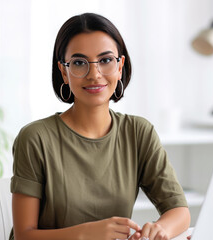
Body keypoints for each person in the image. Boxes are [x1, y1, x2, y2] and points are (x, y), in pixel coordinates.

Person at [10, 12, 190, 240]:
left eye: (105, 60)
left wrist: (159, 229)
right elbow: (24, 236)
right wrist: (86, 233)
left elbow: (179, 211)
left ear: (120, 66)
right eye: (78, 63)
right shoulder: (35, 138)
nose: (94, 74)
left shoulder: (138, 133)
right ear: (64, 71)